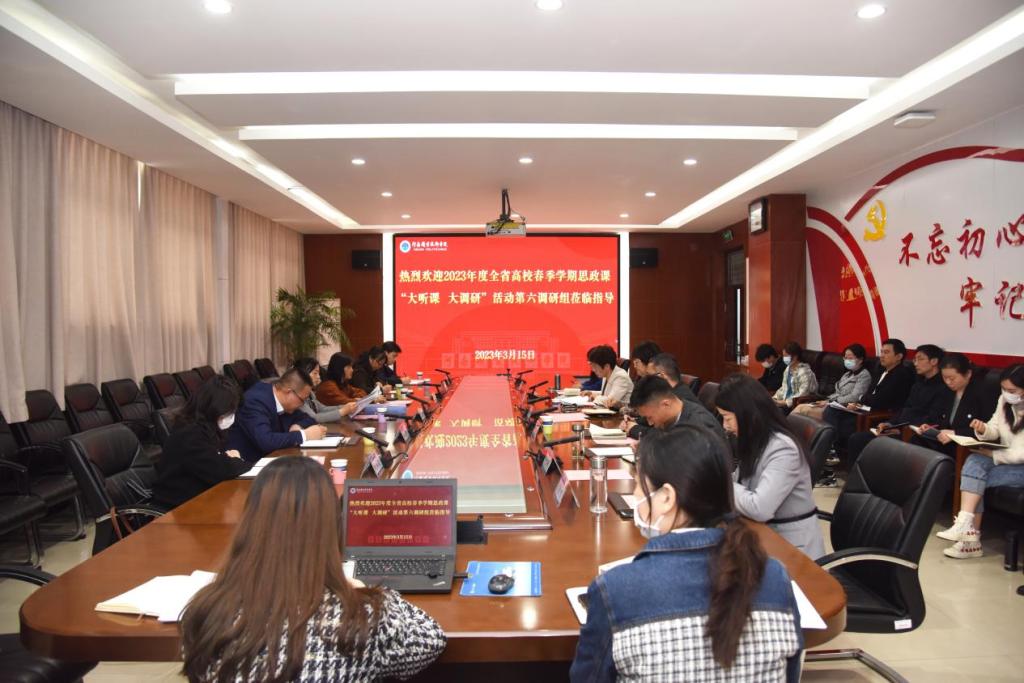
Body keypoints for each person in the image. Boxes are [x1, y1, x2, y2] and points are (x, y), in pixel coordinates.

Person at [180, 456, 446, 681]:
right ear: (332, 526)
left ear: (251, 522)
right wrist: (368, 592)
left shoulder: (206, 613)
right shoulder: (361, 616)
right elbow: (431, 640)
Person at [570, 427, 803, 682]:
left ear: (666, 497)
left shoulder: (616, 589)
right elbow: (790, 674)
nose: (635, 494)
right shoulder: (774, 576)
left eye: (638, 484)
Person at [716, 374, 826, 559]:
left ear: (748, 414)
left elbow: (760, 508)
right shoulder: (756, 439)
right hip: (762, 535)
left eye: (727, 418)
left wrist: (721, 483)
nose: (725, 426)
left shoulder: (783, 449)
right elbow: (738, 481)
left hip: (792, 548)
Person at [938, 365, 1024, 559]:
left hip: (1020, 466)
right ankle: (966, 527)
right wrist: (983, 429)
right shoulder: (1004, 400)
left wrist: (993, 455)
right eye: (1003, 389)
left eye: (1012, 391)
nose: (1007, 394)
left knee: (975, 478)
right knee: (975, 462)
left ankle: (969, 539)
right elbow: (995, 427)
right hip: (1007, 459)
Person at [151, 376, 252, 510]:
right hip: (178, 506)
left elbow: (214, 462)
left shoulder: (205, 426)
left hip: (201, 494)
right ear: (213, 409)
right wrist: (235, 460)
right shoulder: (190, 433)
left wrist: (227, 459)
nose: (230, 417)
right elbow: (220, 470)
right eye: (227, 413)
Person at [842, 344, 949, 464]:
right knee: (857, 438)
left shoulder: (943, 388)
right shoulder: (918, 384)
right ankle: (856, 474)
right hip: (901, 427)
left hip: (917, 434)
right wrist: (889, 424)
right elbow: (905, 408)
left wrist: (900, 429)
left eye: (920, 359)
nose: (915, 363)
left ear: (934, 361)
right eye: (914, 359)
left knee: (869, 442)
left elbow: (932, 418)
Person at [822, 338, 915, 448]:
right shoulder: (881, 371)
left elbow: (880, 400)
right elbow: (870, 394)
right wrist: (859, 404)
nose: (882, 356)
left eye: (886, 352)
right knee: (831, 410)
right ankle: (830, 447)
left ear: (899, 356)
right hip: (866, 409)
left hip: (878, 415)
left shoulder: (901, 374)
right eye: (881, 352)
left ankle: (831, 447)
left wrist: (861, 399)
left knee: (842, 423)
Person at [226, 368, 327, 463]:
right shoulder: (255, 401)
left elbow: (308, 418)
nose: (302, 405)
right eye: (302, 400)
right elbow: (266, 441)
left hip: (273, 459)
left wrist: (298, 425)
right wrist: (304, 435)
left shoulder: (282, 400)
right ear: (289, 392)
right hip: (247, 464)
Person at [912, 353, 998, 457]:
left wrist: (955, 433)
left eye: (952, 378)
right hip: (944, 439)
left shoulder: (983, 393)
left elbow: (987, 428)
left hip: (964, 444)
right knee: (917, 439)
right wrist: (929, 426)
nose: (948, 382)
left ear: (968, 374)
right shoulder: (946, 390)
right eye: (945, 378)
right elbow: (938, 416)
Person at [624, 353, 703, 439]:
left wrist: (634, 429)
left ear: (661, 376)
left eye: (649, 376)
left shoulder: (680, 399)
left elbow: (667, 436)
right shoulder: (673, 392)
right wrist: (636, 421)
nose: (646, 379)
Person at [627, 375, 725, 440]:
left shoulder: (699, 423)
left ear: (665, 404)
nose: (650, 423)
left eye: (650, 417)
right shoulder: (672, 417)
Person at [791, 343, 872, 421]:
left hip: (842, 408)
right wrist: (826, 401)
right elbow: (837, 392)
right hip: (831, 403)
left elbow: (855, 397)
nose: (847, 360)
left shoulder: (864, 375)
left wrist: (830, 402)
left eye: (850, 358)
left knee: (801, 410)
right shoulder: (847, 374)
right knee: (801, 407)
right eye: (845, 358)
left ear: (860, 359)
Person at [292, 358, 359, 423]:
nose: (318, 377)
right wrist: (342, 411)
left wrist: (344, 407)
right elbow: (313, 418)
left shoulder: (310, 393)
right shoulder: (297, 395)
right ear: (303, 374)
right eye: (315, 373)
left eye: (318, 373)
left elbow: (322, 409)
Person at [772, 341, 818, 409]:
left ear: (795, 356)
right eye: (783, 356)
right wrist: (774, 398)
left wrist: (784, 403)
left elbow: (803, 394)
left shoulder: (804, 372)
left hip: (798, 405)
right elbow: (784, 388)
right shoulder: (788, 369)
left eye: (786, 356)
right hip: (785, 402)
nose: (784, 358)